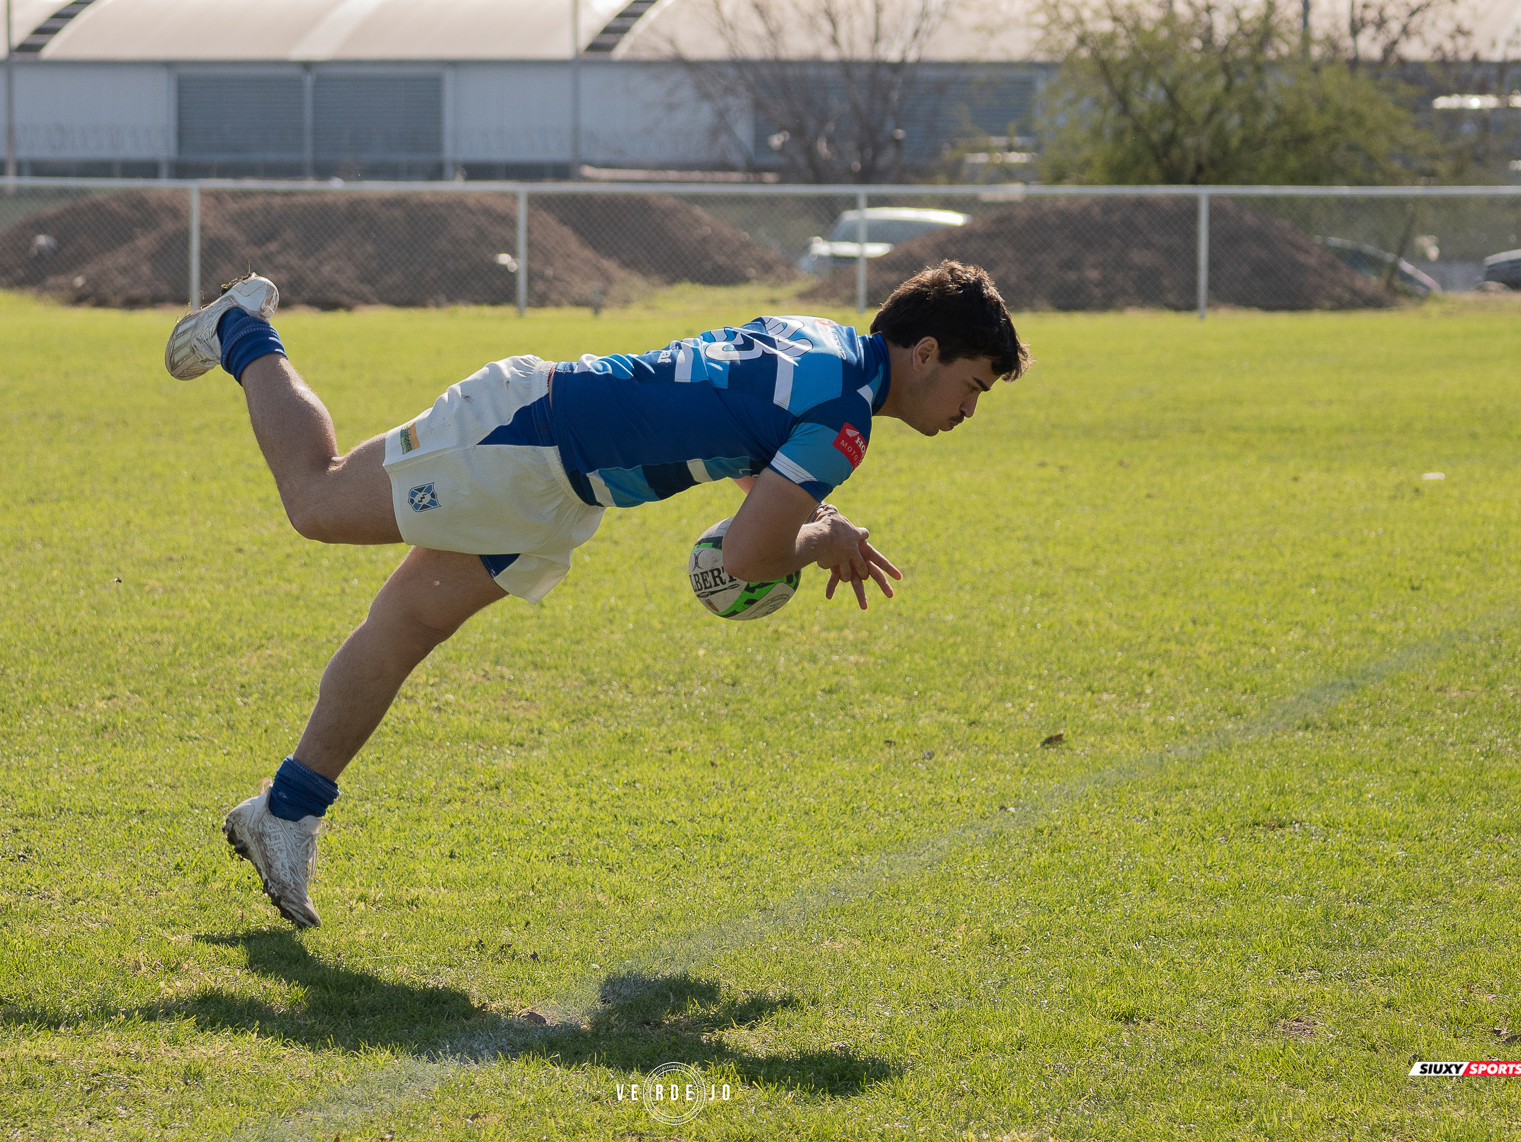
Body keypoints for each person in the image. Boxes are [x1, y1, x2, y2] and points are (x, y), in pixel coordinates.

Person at [162, 261, 1029, 928]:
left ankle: (285, 813)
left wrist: (819, 523)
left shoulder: (823, 343)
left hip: (559, 481)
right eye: (973, 386)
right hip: (526, 438)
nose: (968, 409)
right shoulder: (845, 419)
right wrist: (810, 539)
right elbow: (749, 553)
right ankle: (244, 331)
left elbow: (731, 426)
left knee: (411, 621)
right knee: (318, 498)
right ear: (925, 354)